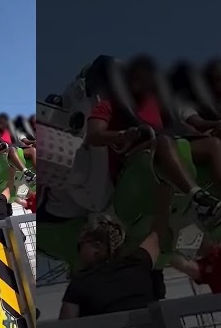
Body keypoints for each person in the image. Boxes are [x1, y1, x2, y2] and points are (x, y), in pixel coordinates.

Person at [86, 54, 221, 227]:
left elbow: (178, 128)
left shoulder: (156, 105)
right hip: (130, 159)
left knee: (213, 144)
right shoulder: (108, 104)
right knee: (163, 142)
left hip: (160, 146)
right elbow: (93, 136)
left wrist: (206, 132)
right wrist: (123, 135)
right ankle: (199, 200)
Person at [0, 112, 36, 184]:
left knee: (32, 150)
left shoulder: (8, 133)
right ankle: (26, 173)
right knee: (11, 149)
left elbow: (18, 143)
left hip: (11, 151)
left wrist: (28, 145)